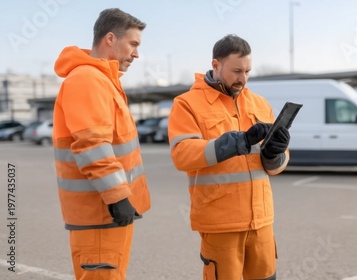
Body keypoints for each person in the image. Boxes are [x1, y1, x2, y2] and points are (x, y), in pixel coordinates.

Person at [168, 34, 291, 280]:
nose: (243, 79)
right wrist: (239, 142)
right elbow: (182, 155)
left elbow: (276, 165)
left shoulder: (259, 103)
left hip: (262, 220)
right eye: (236, 71)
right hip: (220, 222)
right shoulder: (187, 104)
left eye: (247, 71)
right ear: (216, 65)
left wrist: (275, 154)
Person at [52, 8, 151, 279]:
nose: (136, 54)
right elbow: (92, 145)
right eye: (133, 44)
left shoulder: (103, 81)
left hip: (109, 213)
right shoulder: (87, 79)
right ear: (110, 39)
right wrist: (117, 196)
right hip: (100, 213)